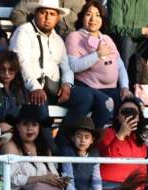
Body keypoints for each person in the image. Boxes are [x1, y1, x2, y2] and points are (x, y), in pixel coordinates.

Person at [9, 0, 93, 130]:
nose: (47, 18)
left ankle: (63, 137)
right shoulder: (23, 31)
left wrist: (67, 84)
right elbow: (22, 63)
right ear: (35, 13)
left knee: (85, 97)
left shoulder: (58, 40)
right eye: (43, 13)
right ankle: (49, 146)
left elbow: (66, 68)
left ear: (58, 18)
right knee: (42, 113)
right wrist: (35, 87)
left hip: (53, 89)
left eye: (52, 14)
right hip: (29, 88)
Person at [64, 0, 131, 130]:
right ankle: (91, 140)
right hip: (89, 87)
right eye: (88, 14)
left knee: (134, 104)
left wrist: (124, 87)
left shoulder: (107, 39)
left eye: (98, 15)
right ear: (82, 17)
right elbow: (73, 66)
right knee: (107, 104)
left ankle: (122, 143)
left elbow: (120, 66)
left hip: (111, 89)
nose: (93, 19)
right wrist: (97, 55)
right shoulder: (75, 37)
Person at [3, 103, 66, 190]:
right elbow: (12, 179)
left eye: (34, 125)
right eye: (26, 124)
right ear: (18, 127)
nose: (30, 129)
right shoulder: (10, 146)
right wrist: (42, 178)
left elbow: (52, 173)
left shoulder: (44, 147)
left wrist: (59, 181)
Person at [97, 96, 148, 187]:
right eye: (125, 111)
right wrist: (121, 135)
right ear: (117, 116)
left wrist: (140, 188)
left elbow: (142, 169)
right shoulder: (107, 133)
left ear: (139, 117)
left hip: (132, 187)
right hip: (109, 184)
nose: (129, 115)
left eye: (133, 112)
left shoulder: (139, 140)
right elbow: (108, 158)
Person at [58, 115, 101, 190]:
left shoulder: (94, 154)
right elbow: (69, 178)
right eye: (79, 136)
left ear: (92, 140)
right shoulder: (67, 152)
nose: (82, 140)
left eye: (87, 137)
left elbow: (96, 178)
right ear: (72, 138)